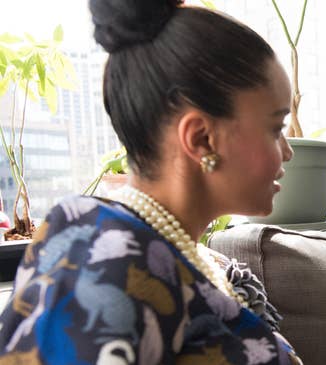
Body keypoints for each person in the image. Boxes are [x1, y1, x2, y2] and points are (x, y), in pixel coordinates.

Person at [0, 0, 301, 363]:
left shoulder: (190, 260)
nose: (287, 152)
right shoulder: (104, 261)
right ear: (201, 138)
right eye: (276, 128)